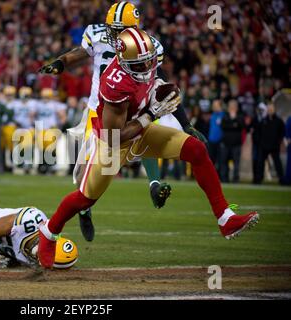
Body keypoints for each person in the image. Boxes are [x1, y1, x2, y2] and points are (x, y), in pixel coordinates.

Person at [37, 28, 260, 269]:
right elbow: (116, 137)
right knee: (84, 199)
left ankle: (225, 218)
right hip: (112, 142)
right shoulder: (114, 83)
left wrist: (168, 100)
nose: (148, 68)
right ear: (124, 61)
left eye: (149, 61)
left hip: (140, 129)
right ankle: (48, 233)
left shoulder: (147, 58)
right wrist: (152, 113)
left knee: (196, 150)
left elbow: (156, 84)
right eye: (141, 64)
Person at [39, 2, 207, 242]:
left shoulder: (146, 47)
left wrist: (185, 123)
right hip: (99, 109)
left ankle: (153, 182)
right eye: (112, 28)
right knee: (89, 168)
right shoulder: (97, 34)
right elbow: (78, 54)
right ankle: (85, 207)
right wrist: (60, 63)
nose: (113, 34)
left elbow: (163, 82)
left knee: (146, 131)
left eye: (119, 29)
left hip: (134, 105)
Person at [256, 103, 286, 184]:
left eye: (271, 109)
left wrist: (278, 142)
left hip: (274, 146)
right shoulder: (263, 120)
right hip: (263, 145)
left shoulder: (279, 121)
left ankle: (282, 179)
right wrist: (260, 142)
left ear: (274, 110)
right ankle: (258, 179)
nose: (270, 111)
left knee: (277, 163)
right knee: (260, 164)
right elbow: (258, 132)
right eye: (268, 109)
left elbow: (282, 132)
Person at [220, 100, 244, 183]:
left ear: (236, 108)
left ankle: (235, 179)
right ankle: (224, 179)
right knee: (224, 162)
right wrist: (233, 124)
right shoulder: (225, 116)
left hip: (236, 144)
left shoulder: (240, 116)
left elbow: (241, 126)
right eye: (230, 107)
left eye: (234, 107)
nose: (232, 108)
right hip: (226, 143)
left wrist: (233, 120)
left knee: (236, 163)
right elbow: (223, 126)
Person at [208, 99, 224, 175]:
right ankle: (211, 175)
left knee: (220, 160)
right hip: (211, 141)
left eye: (215, 105)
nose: (213, 106)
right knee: (211, 160)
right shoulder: (212, 115)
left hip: (220, 141)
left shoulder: (223, 115)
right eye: (213, 105)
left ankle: (220, 176)